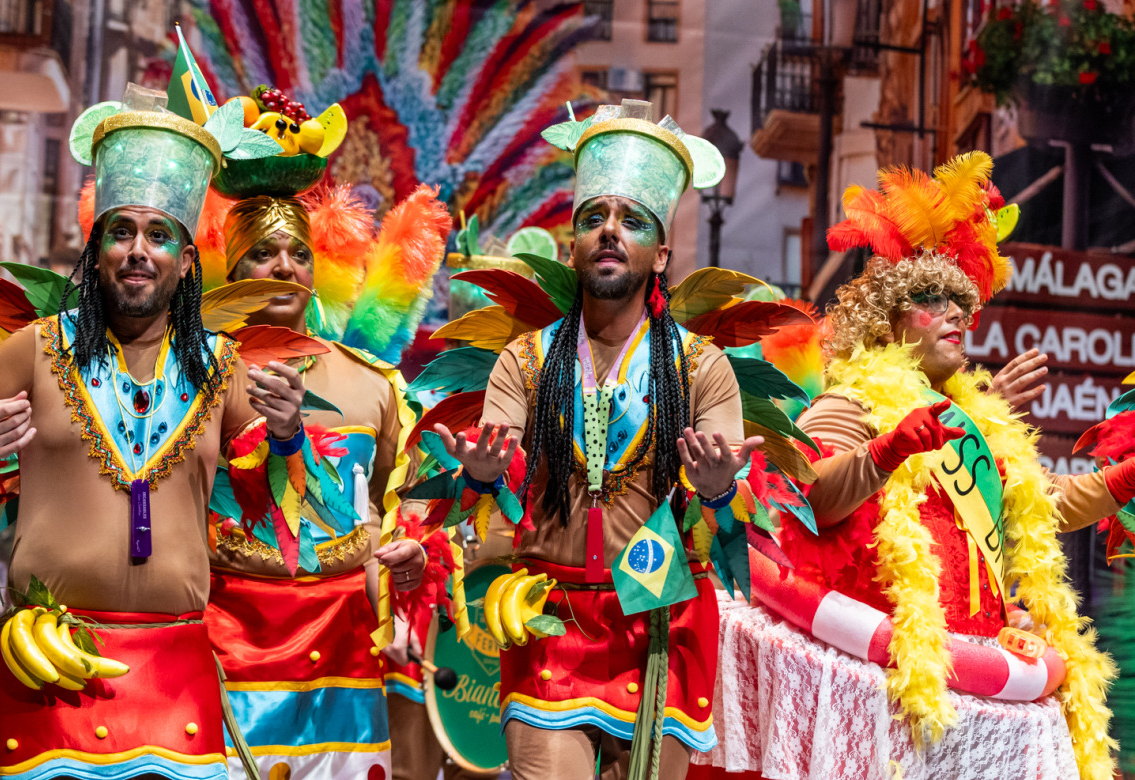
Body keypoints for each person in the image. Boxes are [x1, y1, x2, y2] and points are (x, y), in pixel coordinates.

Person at [0, 91, 314, 780]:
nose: (138, 251)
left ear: (187, 261)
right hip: (52, 662)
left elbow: (278, 512)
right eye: (121, 231)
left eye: (159, 235)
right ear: (96, 250)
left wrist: (286, 438)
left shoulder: (224, 370)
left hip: (175, 672)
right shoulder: (34, 351)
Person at [708, 152, 1132, 780]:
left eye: (962, 302)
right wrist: (885, 451)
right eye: (934, 300)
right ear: (887, 320)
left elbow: (1045, 507)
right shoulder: (850, 400)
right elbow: (809, 497)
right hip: (893, 683)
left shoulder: (979, 424)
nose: (958, 313)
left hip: (979, 679)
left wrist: (1123, 478)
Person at [434, 100, 773, 780]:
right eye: (595, 218)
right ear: (574, 243)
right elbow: (491, 493)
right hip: (550, 622)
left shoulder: (701, 368)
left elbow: (734, 514)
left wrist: (718, 489)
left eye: (632, 221)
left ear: (661, 252)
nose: (611, 232)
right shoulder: (526, 362)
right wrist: (482, 475)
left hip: (659, 626)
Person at [203, 183, 450, 779]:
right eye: (263, 253)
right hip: (224, 636)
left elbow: (411, 497)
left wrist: (416, 549)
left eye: (298, 253)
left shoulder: (373, 384)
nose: (284, 266)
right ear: (233, 271)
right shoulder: (194, 374)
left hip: (345, 643)